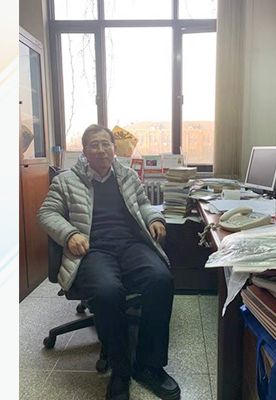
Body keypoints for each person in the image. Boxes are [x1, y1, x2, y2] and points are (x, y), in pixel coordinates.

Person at [37, 124, 180, 400]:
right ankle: (121, 370)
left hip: (130, 245)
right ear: (84, 151)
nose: (101, 150)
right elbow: (46, 214)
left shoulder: (128, 175)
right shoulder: (66, 181)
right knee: (107, 291)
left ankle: (149, 366)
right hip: (93, 250)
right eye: (94, 145)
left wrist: (154, 218)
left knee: (160, 279)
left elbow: (143, 203)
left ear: (114, 149)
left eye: (106, 144)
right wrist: (70, 234)